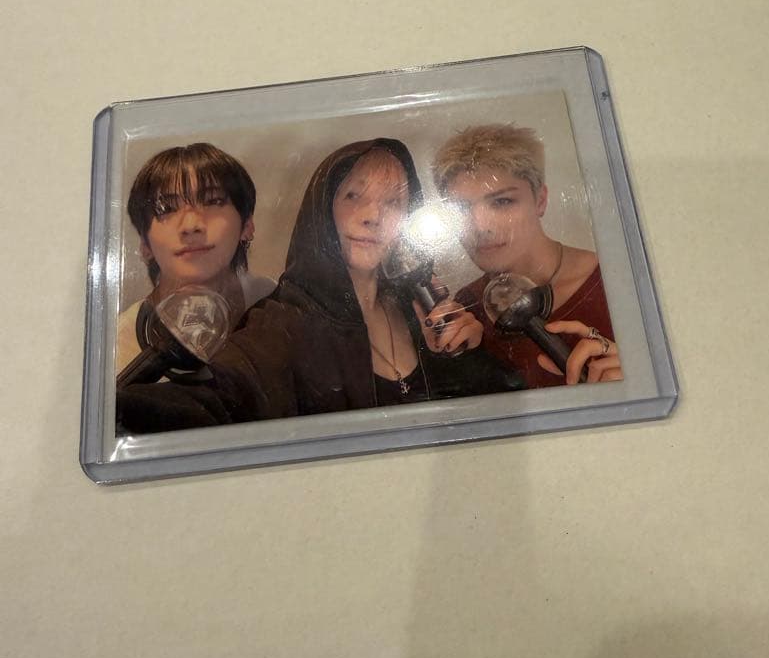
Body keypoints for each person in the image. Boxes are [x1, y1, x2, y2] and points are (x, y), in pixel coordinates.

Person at [116, 137, 523, 433]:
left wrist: (464, 357)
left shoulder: (419, 307)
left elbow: (499, 406)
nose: (373, 216)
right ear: (323, 211)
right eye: (353, 196)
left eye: (393, 202)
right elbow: (217, 399)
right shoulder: (281, 320)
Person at [432, 124, 623, 386]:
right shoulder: (467, 306)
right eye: (461, 209)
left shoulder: (616, 281)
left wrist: (635, 380)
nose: (481, 226)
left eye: (502, 202)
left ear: (540, 201)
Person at [117, 142, 276, 373]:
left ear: (247, 225)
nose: (191, 226)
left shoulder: (273, 302)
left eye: (213, 201)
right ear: (144, 243)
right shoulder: (120, 347)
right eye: (166, 208)